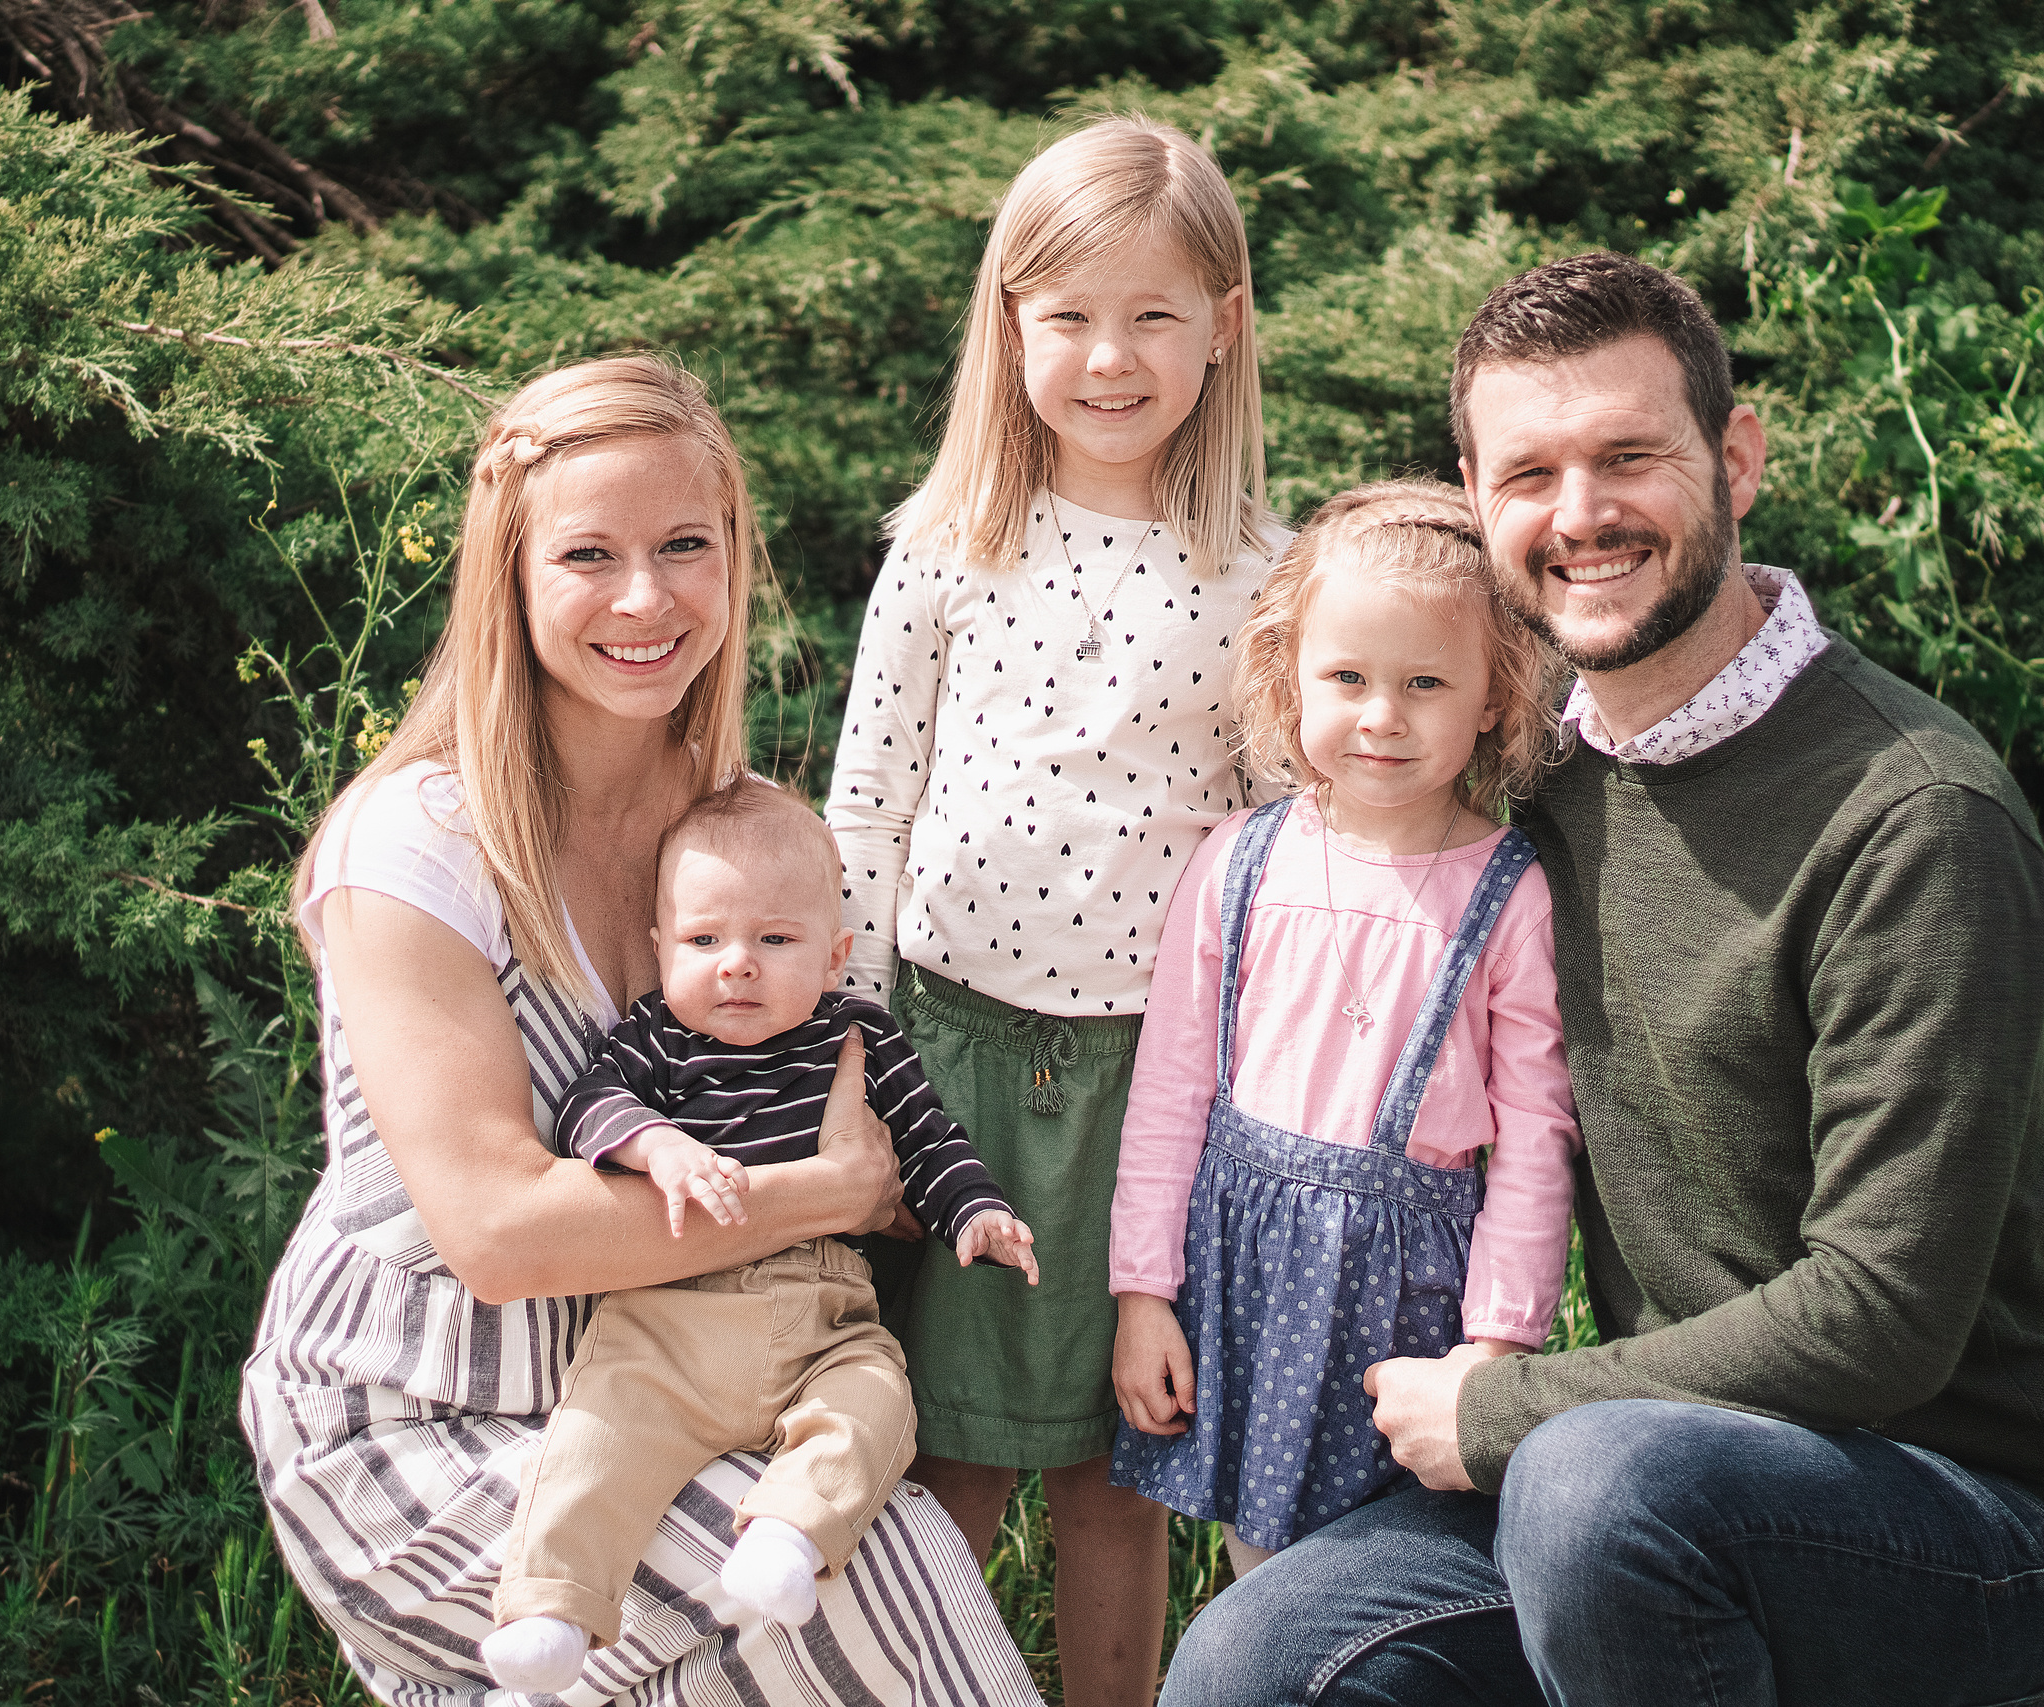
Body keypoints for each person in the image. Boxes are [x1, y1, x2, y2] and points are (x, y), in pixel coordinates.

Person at [1160, 252, 2044, 1707]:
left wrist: (1503, 1405)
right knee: (1249, 1663)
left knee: (1593, 1484)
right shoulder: (1534, 791)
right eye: (1529, 472)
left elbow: (1881, 1310)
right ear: (1478, 498)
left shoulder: (1914, 813)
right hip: (1646, 1473)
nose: (1580, 515)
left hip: (1957, 1518)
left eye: (1629, 457)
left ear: (1736, 457)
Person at [239, 354, 1042, 1707]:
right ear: (510, 574)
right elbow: (501, 1231)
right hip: (417, 1418)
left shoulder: (720, 831)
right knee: (876, 1563)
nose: (645, 597)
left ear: (734, 552)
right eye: (588, 554)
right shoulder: (420, 846)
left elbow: (835, 1077)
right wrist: (824, 1194)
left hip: (659, 1389)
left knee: (773, 1610)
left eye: (685, 544)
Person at [825, 114, 1289, 1702]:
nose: (1111, 356)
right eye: (1071, 315)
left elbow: (1281, 845)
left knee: (1117, 1460)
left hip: (1159, 1082)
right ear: (1008, 321)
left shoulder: (1262, 578)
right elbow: (866, 815)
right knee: (940, 1453)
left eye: (1155, 314)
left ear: (1223, 328)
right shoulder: (945, 548)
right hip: (946, 1060)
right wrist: (856, 1068)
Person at [1105, 480, 1580, 1576]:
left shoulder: (1510, 896)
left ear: (1492, 698)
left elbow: (1534, 1140)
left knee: (1386, 1577)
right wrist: (1143, 1295)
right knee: (1256, 1564)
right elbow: (1172, 1094)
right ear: (1291, 680)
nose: (1382, 715)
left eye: (1425, 682)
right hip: (1241, 1277)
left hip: (1408, 1299)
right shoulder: (1239, 862)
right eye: (1348, 679)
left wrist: (1497, 1349)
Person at [481, 781, 1042, 1692]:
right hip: (669, 1315)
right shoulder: (657, 1037)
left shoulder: (858, 1032)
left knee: (878, 1404)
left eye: (773, 940)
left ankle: (787, 1532)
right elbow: (588, 1107)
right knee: (594, 1437)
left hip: (822, 1309)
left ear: (834, 956)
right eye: (705, 941)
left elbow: (929, 1138)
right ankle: (552, 1605)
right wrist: (653, 1142)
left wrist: (975, 1210)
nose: (736, 964)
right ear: (662, 948)